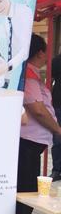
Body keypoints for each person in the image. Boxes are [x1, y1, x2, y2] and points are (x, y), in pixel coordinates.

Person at [15, 34, 61, 214]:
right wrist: (58, 130)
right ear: (40, 52)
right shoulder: (30, 77)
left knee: (28, 192)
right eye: (46, 52)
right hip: (27, 144)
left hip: (32, 144)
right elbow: (38, 111)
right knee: (26, 194)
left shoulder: (31, 74)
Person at [50, 53, 61, 181]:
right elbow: (49, 76)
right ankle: (57, 169)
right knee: (58, 139)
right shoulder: (57, 61)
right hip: (58, 103)